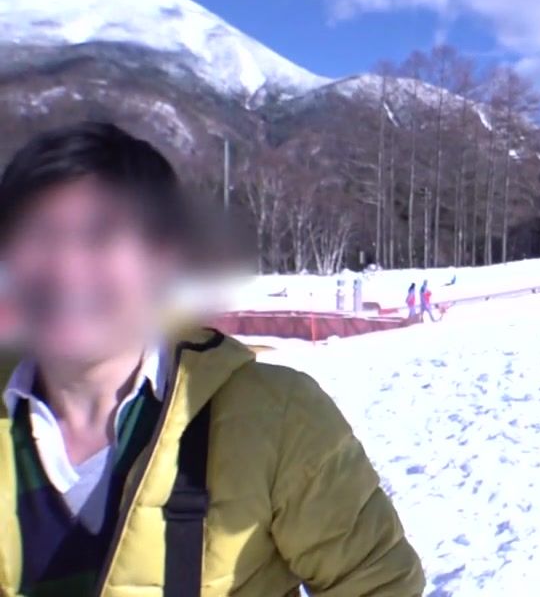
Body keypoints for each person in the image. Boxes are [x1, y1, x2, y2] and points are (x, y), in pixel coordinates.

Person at [0, 122, 424, 595]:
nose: (64, 269)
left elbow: (378, 584)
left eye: (98, 237)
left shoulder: (277, 418)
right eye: (38, 235)